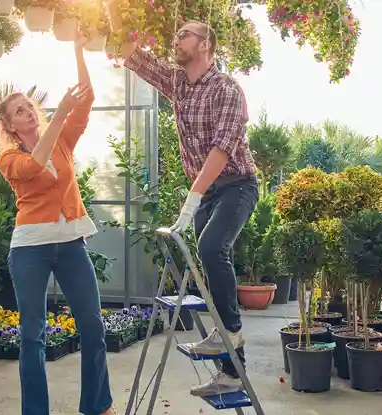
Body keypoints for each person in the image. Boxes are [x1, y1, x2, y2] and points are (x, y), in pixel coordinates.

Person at [104, 1, 259, 398]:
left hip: (237, 185)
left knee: (211, 247)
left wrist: (190, 203)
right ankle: (230, 373)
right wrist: (110, 8)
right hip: (208, 191)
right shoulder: (177, 83)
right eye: (177, 34)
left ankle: (232, 334)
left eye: (184, 34)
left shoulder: (226, 89)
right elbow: (129, 54)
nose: (177, 39)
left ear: (206, 44)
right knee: (207, 261)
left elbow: (222, 150)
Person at [0, 35, 116, 415]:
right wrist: (59, 113)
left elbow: (88, 96)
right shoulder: (9, 157)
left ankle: (97, 405)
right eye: (19, 111)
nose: (28, 112)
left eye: (29, 105)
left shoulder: (62, 140)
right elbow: (34, 166)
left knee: (93, 326)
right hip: (29, 249)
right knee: (33, 336)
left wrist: (79, 51)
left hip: (70, 244)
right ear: (10, 126)